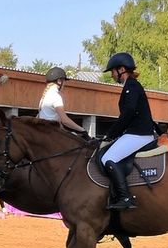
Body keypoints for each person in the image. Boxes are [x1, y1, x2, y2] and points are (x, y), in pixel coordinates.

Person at [100, 52, 158, 210]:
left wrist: (110, 134)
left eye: (113, 71)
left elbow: (128, 113)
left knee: (108, 158)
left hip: (138, 134)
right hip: (137, 132)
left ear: (121, 70)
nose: (112, 75)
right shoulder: (131, 86)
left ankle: (125, 197)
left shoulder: (131, 86)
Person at [36, 66, 87, 134]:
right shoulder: (56, 96)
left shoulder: (44, 96)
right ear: (59, 81)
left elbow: (39, 117)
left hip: (43, 132)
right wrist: (82, 130)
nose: (64, 84)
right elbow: (65, 120)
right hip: (51, 133)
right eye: (64, 81)